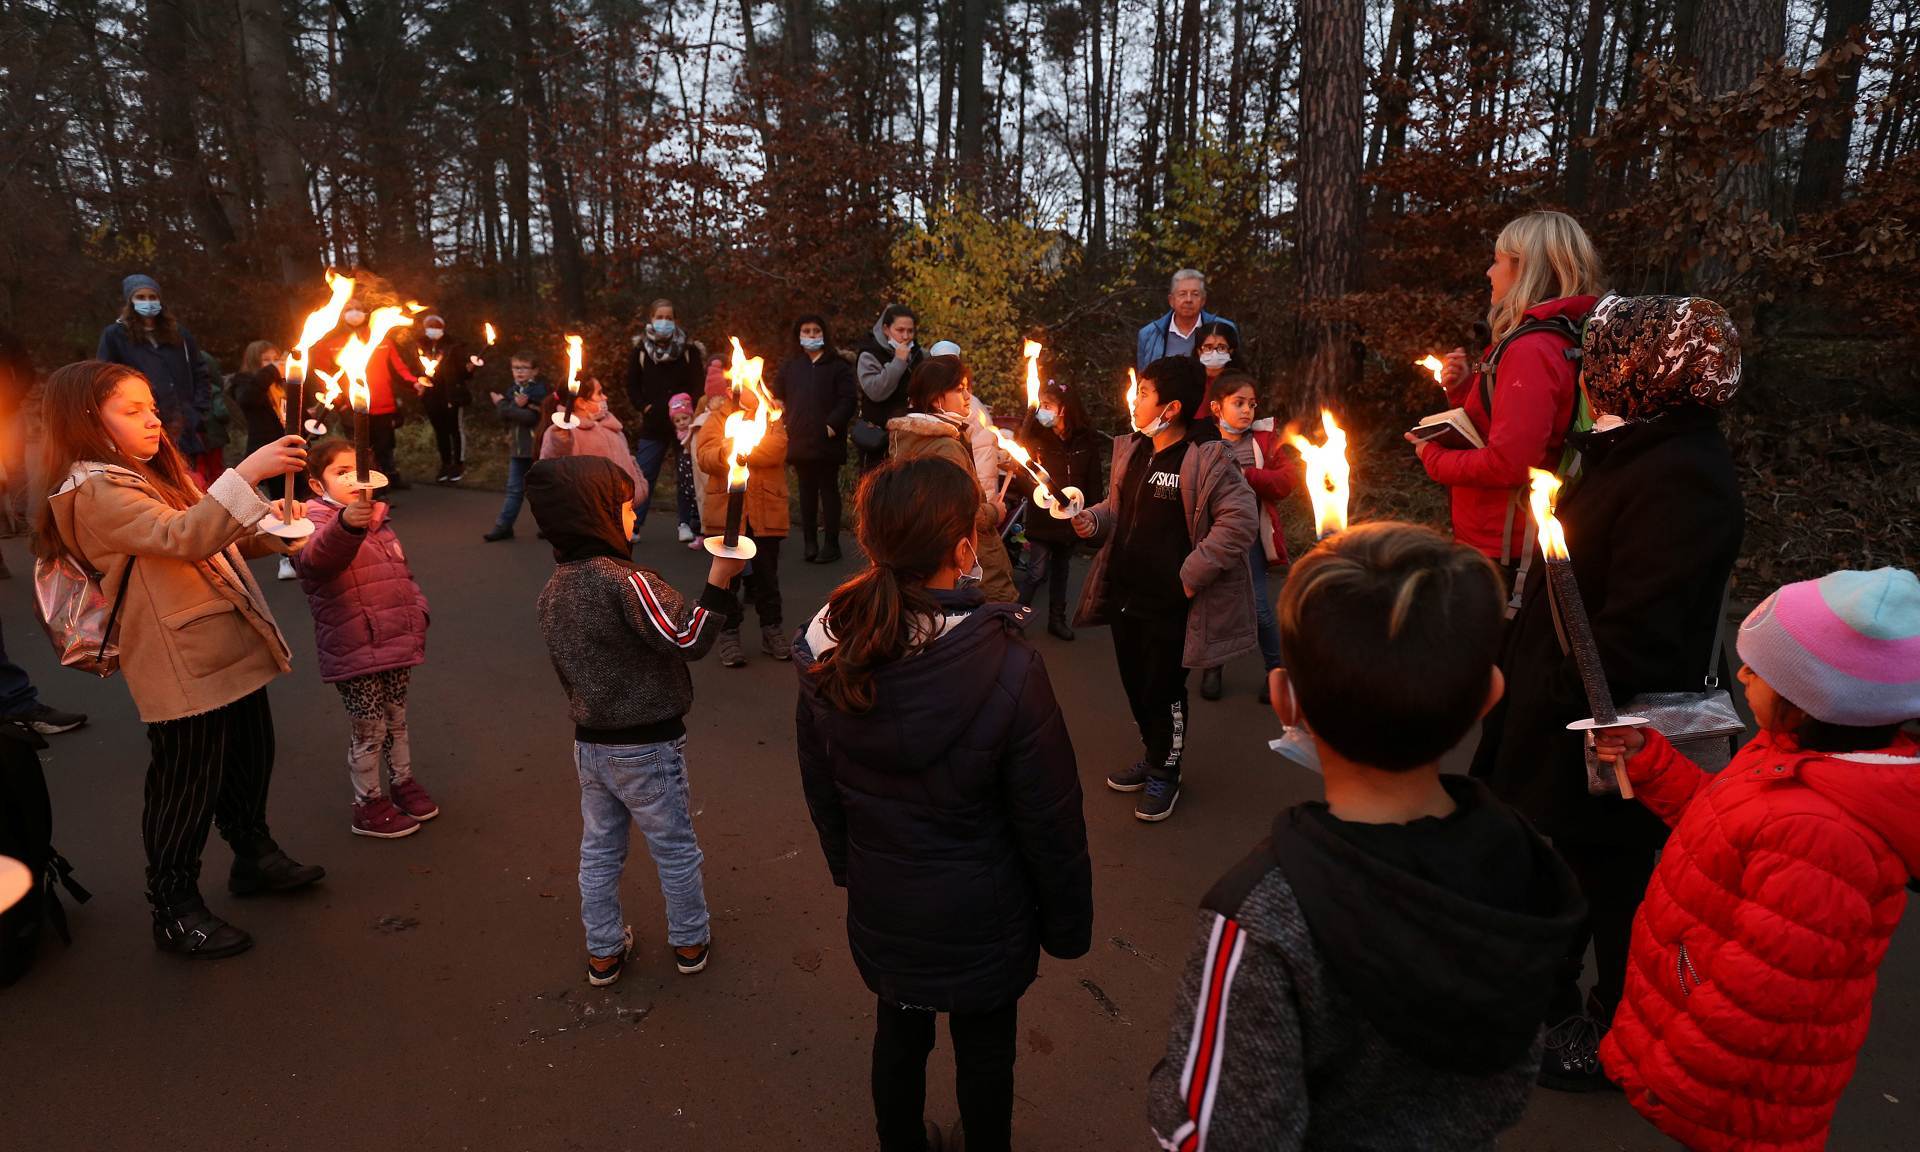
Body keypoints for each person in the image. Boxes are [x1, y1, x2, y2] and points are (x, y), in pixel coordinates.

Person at [1148, 522, 1586, 1149]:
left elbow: (1214, 1134)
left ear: (1285, 700)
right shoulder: (1526, 873)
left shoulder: (1261, 919)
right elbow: (1509, 1081)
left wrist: (1175, 1084)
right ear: (1490, 695)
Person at [1471, 294, 1745, 1090]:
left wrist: (1552, 688)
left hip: (1609, 729)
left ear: (1643, 372)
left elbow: (1644, 631)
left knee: (1610, 884)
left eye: (1602, 355)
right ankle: (1557, 1005)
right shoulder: (1637, 448)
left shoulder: (1682, 479)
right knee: (1569, 870)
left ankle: (1611, 1026)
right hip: (1563, 708)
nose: (1585, 370)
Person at [794, 456, 1092, 1152]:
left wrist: (851, 869)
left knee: (898, 1035)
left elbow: (822, 787)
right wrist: (1067, 923)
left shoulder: (826, 655)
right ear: (964, 550)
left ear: (870, 542)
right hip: (985, 916)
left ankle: (899, 1142)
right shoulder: (1008, 666)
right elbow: (1051, 816)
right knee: (987, 1048)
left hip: (886, 902)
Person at [1586, 567, 1919, 1152]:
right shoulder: (1790, 753)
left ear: (1812, 699)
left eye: (1758, 671)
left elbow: (1766, 999)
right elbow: (1720, 823)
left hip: (1735, 1092)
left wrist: (1671, 1073)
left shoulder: (1824, 835)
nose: (1740, 675)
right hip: (1705, 1044)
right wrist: (1649, 761)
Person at [37, 360, 324, 958]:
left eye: (152, 406)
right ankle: (173, 906)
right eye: (132, 410)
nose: (153, 420)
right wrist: (247, 473)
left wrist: (280, 526)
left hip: (223, 637)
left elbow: (215, 529)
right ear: (88, 420)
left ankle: (253, 855)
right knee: (186, 782)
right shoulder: (93, 488)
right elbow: (184, 537)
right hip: (178, 656)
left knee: (250, 754)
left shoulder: (146, 469)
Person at [526, 455, 744, 984]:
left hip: (590, 746)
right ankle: (690, 940)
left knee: (599, 851)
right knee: (673, 847)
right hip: (646, 746)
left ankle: (603, 949)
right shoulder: (627, 582)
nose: (632, 518)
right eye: (624, 508)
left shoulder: (553, 589)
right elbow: (689, 638)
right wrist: (720, 578)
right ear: (597, 513)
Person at [1070, 356, 1257, 822]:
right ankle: (1154, 756)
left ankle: (1166, 773)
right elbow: (1116, 507)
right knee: (1137, 686)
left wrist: (1189, 577)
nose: (1135, 400)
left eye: (1144, 393)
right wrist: (1091, 519)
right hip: (1125, 597)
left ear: (1170, 407)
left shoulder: (1206, 458)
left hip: (1171, 606)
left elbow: (1239, 522)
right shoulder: (1134, 449)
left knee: (1165, 690)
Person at [1414, 210, 1604, 574]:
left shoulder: (1531, 349)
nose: (1489, 271)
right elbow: (1520, 424)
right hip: (1513, 538)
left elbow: (1511, 463)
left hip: (1507, 550)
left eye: (1497, 261)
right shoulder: (1559, 336)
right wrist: (1465, 389)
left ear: (1524, 269)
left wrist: (1431, 456)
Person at [291, 440, 436, 839]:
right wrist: (347, 525)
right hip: (353, 641)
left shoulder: (379, 520)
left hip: (395, 638)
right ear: (316, 481)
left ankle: (402, 782)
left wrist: (418, 611)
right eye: (340, 473)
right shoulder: (312, 522)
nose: (353, 481)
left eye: (358, 472)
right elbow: (317, 560)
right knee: (368, 727)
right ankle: (368, 803)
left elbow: (403, 574)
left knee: (397, 718)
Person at [886, 358, 1018, 603]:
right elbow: (957, 514)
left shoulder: (908, 438)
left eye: (967, 387)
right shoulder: (945, 447)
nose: (968, 395)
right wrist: (994, 512)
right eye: (959, 389)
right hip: (969, 561)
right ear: (937, 398)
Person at [1197, 372, 1294, 704]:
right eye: (1238, 403)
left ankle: (1277, 672)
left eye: (1251, 404)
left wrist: (1247, 474)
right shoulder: (1202, 443)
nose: (1247, 410)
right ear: (1216, 407)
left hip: (1249, 537)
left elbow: (1286, 481)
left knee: (1259, 608)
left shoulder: (1263, 442)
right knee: (1214, 603)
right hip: (1211, 538)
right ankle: (1213, 667)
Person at [694, 376, 790, 667]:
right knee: (728, 580)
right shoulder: (716, 418)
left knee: (767, 578)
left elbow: (777, 449)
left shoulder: (770, 414)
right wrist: (729, 451)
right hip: (727, 514)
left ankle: (771, 630)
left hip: (765, 515)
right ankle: (729, 634)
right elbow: (705, 456)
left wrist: (741, 450)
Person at [95, 274, 216, 486]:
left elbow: (200, 370)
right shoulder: (115, 336)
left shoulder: (178, 334)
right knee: (157, 477)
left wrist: (199, 409)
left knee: (190, 478)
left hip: (185, 420)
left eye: (152, 296)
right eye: (141, 297)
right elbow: (105, 377)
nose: (148, 302)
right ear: (130, 300)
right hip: (144, 420)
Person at [1013, 380, 1103, 641]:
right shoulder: (1038, 440)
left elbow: (1094, 478)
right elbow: (1023, 476)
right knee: (1037, 571)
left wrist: (1094, 513)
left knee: (1061, 570)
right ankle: (1015, 619)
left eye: (1048, 405)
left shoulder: (1086, 440)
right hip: (1044, 520)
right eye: (1041, 405)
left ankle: (1057, 619)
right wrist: (1036, 493)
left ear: (1064, 409)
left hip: (1071, 518)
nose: (1043, 410)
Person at [310, 292, 418, 490]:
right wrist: (340, 403)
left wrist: (415, 383)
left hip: (382, 405)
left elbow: (399, 368)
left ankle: (389, 478)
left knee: (385, 446)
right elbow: (323, 376)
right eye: (348, 309)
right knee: (359, 449)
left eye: (358, 308)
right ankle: (368, 489)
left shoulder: (381, 339)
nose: (354, 313)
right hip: (350, 407)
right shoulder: (331, 343)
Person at [774, 314, 856, 564]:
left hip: (827, 439)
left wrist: (833, 424)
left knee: (828, 490)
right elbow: (777, 395)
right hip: (799, 438)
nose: (811, 335)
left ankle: (831, 544)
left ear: (824, 334)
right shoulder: (791, 366)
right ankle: (810, 542)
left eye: (815, 330)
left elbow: (848, 399)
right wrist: (779, 414)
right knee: (806, 492)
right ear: (798, 335)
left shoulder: (838, 366)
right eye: (806, 331)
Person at [623, 299, 702, 537]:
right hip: (654, 422)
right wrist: (643, 406)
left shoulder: (689, 350)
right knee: (644, 474)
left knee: (686, 474)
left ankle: (686, 524)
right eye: (660, 317)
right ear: (651, 319)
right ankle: (634, 524)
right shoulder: (640, 350)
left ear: (675, 320)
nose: (664, 322)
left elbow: (699, 383)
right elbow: (631, 383)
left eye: (669, 318)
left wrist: (692, 410)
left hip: (684, 424)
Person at [229, 340, 304, 581]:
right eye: (266, 360)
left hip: (294, 450)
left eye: (275, 358)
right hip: (268, 453)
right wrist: (272, 371)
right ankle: (285, 555)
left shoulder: (282, 387)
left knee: (301, 500)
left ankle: (305, 551)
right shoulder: (244, 383)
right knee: (279, 502)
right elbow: (247, 397)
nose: (274, 364)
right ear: (254, 363)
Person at [540, 376, 645, 502]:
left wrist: (639, 485)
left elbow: (629, 460)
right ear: (582, 403)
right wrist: (559, 444)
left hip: (623, 511)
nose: (605, 398)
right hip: (588, 513)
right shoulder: (561, 433)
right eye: (599, 393)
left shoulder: (612, 428)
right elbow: (550, 470)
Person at [482, 351, 549, 543]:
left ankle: (551, 526)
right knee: (514, 490)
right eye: (515, 368)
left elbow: (529, 417)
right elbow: (504, 416)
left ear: (534, 371)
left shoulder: (539, 391)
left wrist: (502, 404)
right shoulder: (513, 390)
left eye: (524, 368)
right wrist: (508, 408)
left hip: (535, 448)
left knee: (542, 490)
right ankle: (503, 526)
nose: (519, 372)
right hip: (518, 449)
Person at [853, 305, 921, 473]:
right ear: (886, 329)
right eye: (900, 330)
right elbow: (876, 391)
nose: (905, 337)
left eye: (910, 331)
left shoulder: (919, 354)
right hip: (878, 438)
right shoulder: (869, 354)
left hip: (909, 438)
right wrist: (898, 362)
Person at [412, 313, 475, 483]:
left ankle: (458, 464)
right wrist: (419, 383)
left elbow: (464, 374)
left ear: (443, 327)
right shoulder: (420, 345)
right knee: (440, 431)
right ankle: (445, 463)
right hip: (431, 396)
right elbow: (416, 370)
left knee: (455, 430)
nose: (433, 329)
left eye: (436, 326)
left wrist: (470, 369)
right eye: (429, 326)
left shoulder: (454, 345)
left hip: (451, 395)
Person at [1136, 269, 1236, 370]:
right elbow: (1144, 379)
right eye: (1182, 294)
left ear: (1203, 300)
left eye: (1195, 294)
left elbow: (1236, 374)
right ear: (1171, 300)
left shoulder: (1225, 329)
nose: (1188, 300)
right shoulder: (1150, 334)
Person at [0, 325, 34, 534]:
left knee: (15, 465)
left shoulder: (7, 337)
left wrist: (11, 397)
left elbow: (26, 372)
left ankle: (19, 516)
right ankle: (2, 521)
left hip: (9, 411)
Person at [669, 394, 700, 543]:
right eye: (677, 420)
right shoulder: (681, 435)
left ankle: (697, 525)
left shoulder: (696, 431)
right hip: (686, 468)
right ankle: (685, 523)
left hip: (695, 465)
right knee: (686, 493)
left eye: (685, 418)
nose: (681, 423)